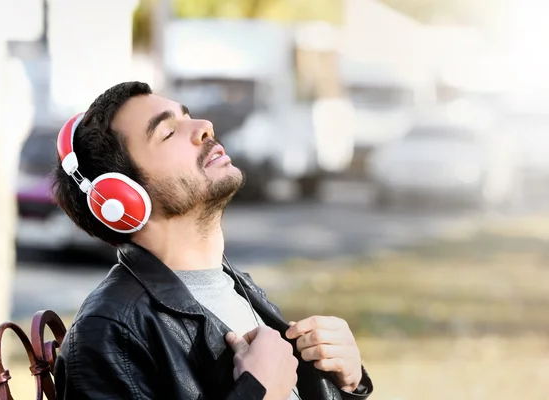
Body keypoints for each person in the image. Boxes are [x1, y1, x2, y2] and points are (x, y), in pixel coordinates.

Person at [52, 81, 374, 399]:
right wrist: (257, 393)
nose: (204, 127)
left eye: (186, 115)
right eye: (168, 132)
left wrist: (347, 383)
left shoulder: (235, 286)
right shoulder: (110, 331)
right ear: (121, 198)